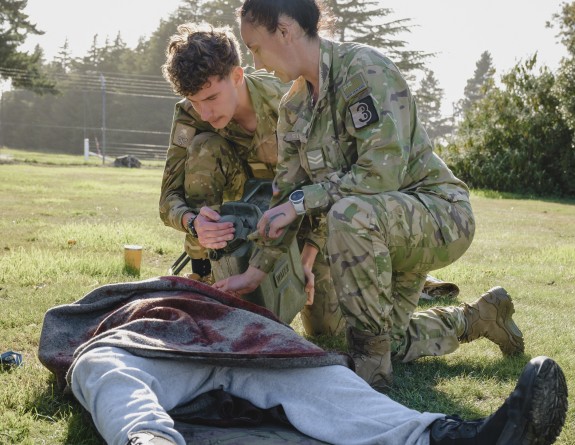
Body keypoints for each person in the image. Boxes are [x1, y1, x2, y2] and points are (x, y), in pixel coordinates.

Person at [213, 0, 524, 390]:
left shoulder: (365, 70)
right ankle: (478, 317)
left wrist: (301, 203)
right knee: (384, 337)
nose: (256, 64)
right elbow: (285, 196)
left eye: (256, 48)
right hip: (380, 231)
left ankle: (370, 378)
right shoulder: (293, 107)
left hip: (439, 215)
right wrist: (256, 270)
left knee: (347, 214)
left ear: (285, 31)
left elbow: (382, 171)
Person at [37, 276, 567, 445]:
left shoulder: (209, 297)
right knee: (102, 367)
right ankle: (148, 441)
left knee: (322, 376)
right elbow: (70, 332)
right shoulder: (115, 312)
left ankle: (453, 437)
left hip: (238, 344)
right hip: (148, 350)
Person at [159, 22, 344, 335]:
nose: (204, 113)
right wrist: (194, 223)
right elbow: (168, 199)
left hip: (303, 219)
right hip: (242, 222)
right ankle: (206, 274)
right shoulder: (190, 114)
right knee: (205, 146)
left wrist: (308, 258)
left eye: (212, 98)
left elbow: (327, 186)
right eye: (195, 101)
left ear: (236, 76)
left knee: (327, 332)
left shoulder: (288, 100)